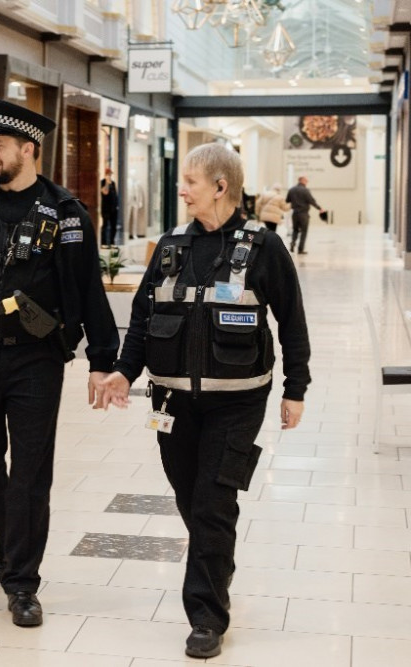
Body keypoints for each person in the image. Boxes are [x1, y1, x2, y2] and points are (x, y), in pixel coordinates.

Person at [93, 143, 311, 659]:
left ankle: (207, 617)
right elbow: (144, 318)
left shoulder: (263, 248)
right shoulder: (170, 247)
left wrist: (295, 389)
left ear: (221, 186)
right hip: (171, 404)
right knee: (191, 499)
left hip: (237, 403)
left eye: (190, 181)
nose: (181, 189)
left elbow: (293, 321)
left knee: (213, 504)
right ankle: (218, 562)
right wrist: (125, 372)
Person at [0, 98, 119, 628]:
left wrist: (103, 359)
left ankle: (23, 582)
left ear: (28, 149)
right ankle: (4, 540)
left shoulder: (66, 214)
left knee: (31, 472)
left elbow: (88, 291)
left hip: (37, 361)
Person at [285, 175, 324, 254]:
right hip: (303, 214)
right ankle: (300, 249)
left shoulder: (291, 190)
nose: (307, 182)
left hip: (295, 213)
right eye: (306, 181)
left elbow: (287, 200)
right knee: (304, 231)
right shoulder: (305, 190)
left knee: (295, 230)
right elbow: (311, 201)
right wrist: (319, 208)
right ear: (302, 181)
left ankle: (293, 242)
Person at [100, 167, 119, 247]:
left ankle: (112, 242)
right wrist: (107, 183)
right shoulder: (103, 182)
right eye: (108, 174)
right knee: (105, 225)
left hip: (113, 208)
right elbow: (105, 192)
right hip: (106, 208)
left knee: (113, 226)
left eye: (110, 174)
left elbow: (115, 195)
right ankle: (103, 242)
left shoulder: (113, 183)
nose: (110, 175)